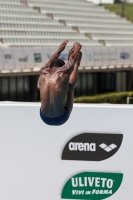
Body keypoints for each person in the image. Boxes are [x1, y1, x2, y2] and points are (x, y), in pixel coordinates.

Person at [38, 40, 82, 126]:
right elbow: (72, 58)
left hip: (44, 116)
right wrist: (77, 47)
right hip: (61, 118)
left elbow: (51, 60)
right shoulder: (63, 72)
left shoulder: (42, 72)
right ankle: (77, 64)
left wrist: (60, 49)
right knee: (70, 88)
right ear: (62, 67)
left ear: (51, 66)